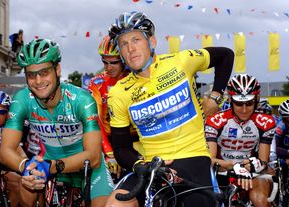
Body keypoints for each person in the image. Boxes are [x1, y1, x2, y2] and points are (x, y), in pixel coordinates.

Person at [105, 11, 234, 207]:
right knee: (115, 204)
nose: (130, 48)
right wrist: (141, 166)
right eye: (123, 44)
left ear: (152, 42)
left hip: (193, 156)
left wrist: (215, 97)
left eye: (136, 39)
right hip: (153, 165)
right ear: (120, 52)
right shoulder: (118, 93)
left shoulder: (181, 61)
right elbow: (121, 148)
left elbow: (226, 55)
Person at [0, 38, 114, 207]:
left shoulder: (81, 99)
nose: (38, 81)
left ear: (57, 70)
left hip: (85, 167)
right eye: (31, 75)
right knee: (26, 196)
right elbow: (5, 151)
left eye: (44, 72)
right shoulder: (22, 99)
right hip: (48, 164)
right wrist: (26, 166)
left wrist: (52, 166)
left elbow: (94, 157)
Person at [205, 74, 276, 207]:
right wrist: (233, 165)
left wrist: (255, 165)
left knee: (259, 199)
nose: (244, 109)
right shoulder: (215, 121)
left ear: (256, 100)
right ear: (231, 100)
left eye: (249, 103)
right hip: (221, 170)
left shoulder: (266, 122)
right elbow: (209, 159)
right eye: (238, 103)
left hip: (253, 172)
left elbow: (264, 161)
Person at [88, 35, 128, 179]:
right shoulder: (97, 83)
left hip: (135, 138)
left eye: (114, 62)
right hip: (107, 139)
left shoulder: (136, 77)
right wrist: (109, 152)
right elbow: (94, 118)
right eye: (104, 62)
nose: (108, 67)